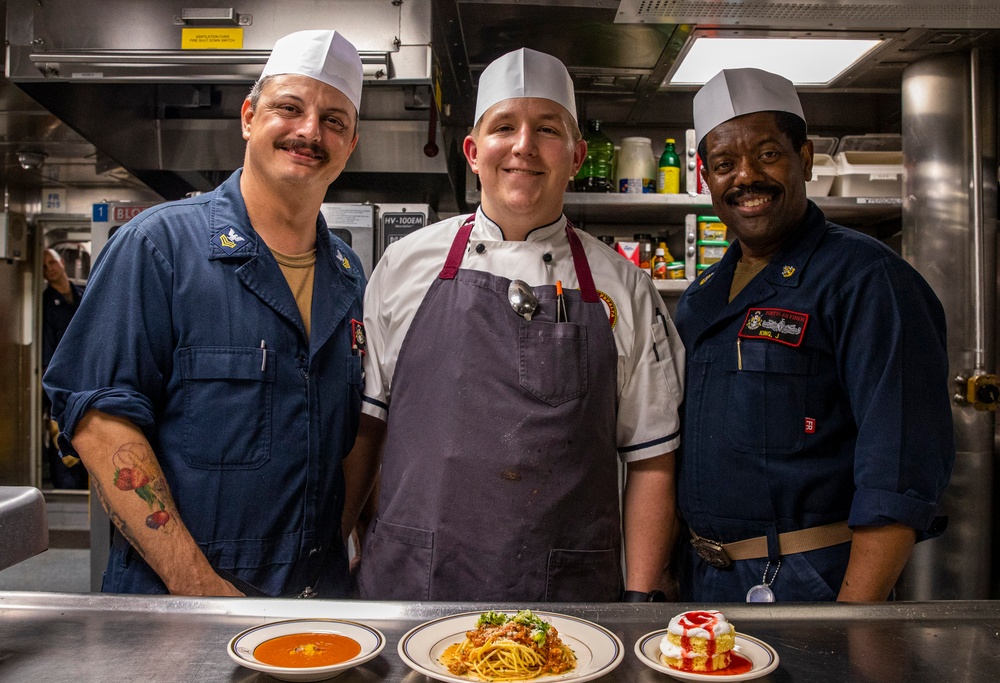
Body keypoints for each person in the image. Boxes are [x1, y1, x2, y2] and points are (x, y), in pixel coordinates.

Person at [349, 48, 684, 602]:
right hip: (416, 585)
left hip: (568, 596)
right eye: (504, 126)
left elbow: (651, 458)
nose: (524, 145)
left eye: (547, 129)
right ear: (473, 152)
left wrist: (640, 601)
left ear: (576, 156)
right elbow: (368, 432)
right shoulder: (404, 265)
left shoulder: (625, 287)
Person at [43, 29, 368, 597]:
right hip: (179, 614)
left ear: (351, 143)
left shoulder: (347, 274)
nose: (310, 131)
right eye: (288, 108)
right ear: (248, 116)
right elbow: (99, 423)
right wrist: (201, 590)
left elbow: (348, 441)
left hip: (315, 606)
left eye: (334, 120)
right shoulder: (158, 248)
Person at [675, 67, 954, 602]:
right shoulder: (703, 295)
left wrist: (853, 620)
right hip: (704, 581)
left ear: (804, 158)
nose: (746, 177)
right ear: (706, 178)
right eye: (724, 164)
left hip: (807, 584)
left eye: (768, 153)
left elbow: (897, 471)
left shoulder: (868, 279)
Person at [41, 248, 88, 489]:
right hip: (61, 379)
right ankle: (66, 484)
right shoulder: (46, 304)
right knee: (60, 430)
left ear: (61, 262)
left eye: (52, 262)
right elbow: (47, 350)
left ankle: (84, 482)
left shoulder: (83, 294)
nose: (49, 268)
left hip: (87, 374)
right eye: (44, 267)